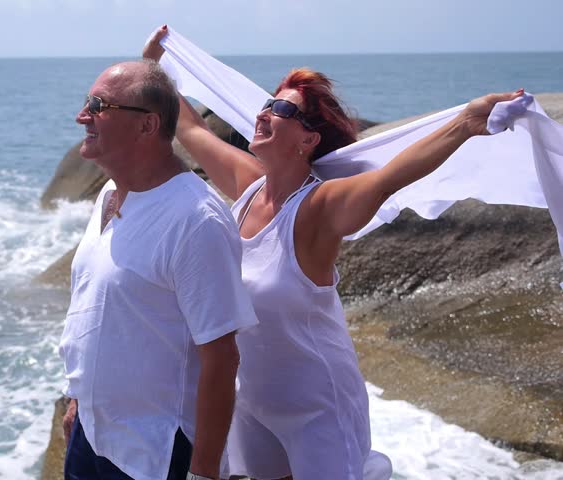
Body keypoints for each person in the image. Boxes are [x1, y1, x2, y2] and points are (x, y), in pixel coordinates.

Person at [144, 25, 524, 480]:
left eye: (282, 108)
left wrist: (467, 123)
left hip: (319, 409)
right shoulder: (247, 188)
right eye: (268, 102)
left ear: (308, 140)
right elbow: (188, 127)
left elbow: (391, 177)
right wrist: (154, 68)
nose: (264, 113)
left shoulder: (318, 209)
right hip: (253, 404)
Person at [58, 59, 259, 480]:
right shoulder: (111, 193)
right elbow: (97, 311)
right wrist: (78, 399)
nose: (82, 116)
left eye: (98, 105)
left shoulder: (195, 220)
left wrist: (203, 473)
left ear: (147, 126)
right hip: (93, 436)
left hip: (156, 453)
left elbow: (222, 358)